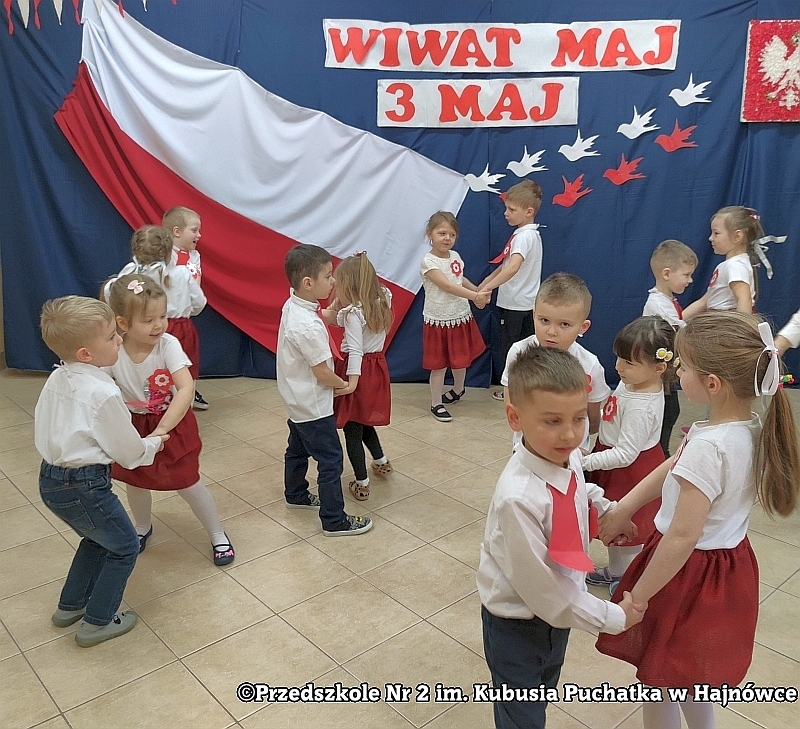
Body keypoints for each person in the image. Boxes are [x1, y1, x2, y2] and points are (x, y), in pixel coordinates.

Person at [597, 311, 800, 729]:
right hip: (726, 568)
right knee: (687, 676)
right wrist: (623, 507)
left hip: (687, 575)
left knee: (660, 680)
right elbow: (675, 462)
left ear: (712, 383)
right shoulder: (744, 425)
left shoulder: (713, 446)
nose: (676, 371)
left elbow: (683, 536)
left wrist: (638, 596)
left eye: (682, 366)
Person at [478, 345, 646, 729]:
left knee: (544, 688)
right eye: (551, 420)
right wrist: (613, 616)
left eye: (578, 419)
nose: (569, 434)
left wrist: (605, 507)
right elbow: (545, 593)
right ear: (514, 417)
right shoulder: (518, 499)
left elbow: (575, 487)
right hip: (517, 622)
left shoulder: (564, 453)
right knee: (521, 714)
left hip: (559, 612)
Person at [34, 296, 167, 646]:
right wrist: (153, 441)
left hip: (50, 479)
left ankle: (71, 605)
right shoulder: (102, 393)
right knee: (124, 546)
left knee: (96, 539)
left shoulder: (58, 377)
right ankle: (98, 621)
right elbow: (129, 453)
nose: (119, 339)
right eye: (111, 337)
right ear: (85, 354)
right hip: (85, 484)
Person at [102, 274, 234, 566]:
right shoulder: (114, 351)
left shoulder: (168, 344)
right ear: (123, 324)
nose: (159, 325)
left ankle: (217, 534)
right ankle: (141, 527)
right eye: (149, 320)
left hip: (171, 424)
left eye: (162, 316)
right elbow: (105, 391)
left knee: (187, 482)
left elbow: (186, 389)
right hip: (134, 426)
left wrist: (161, 430)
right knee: (135, 481)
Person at [278, 244, 373, 536]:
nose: (333, 282)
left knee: (297, 447)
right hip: (313, 403)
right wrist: (343, 385)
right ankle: (334, 519)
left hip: (296, 397)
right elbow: (321, 371)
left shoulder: (294, 304)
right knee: (330, 459)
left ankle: (295, 493)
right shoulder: (308, 326)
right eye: (329, 277)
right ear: (309, 283)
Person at [583, 317, 677, 596]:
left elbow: (625, 454)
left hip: (631, 471)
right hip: (612, 458)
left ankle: (626, 578)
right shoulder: (634, 383)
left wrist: (586, 461)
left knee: (626, 527)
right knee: (611, 524)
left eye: (628, 363)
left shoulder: (641, 407)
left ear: (659, 368)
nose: (617, 367)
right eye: (619, 358)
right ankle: (617, 571)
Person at [499, 273, 611, 451]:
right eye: (544, 320)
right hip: (529, 447)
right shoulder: (518, 352)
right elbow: (511, 400)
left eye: (564, 324)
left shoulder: (590, 364)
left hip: (571, 449)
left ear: (583, 327)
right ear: (534, 315)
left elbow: (592, 415)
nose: (552, 332)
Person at [109, 222, 209, 411]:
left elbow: (115, 296)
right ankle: (180, 408)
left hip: (137, 330)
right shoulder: (181, 273)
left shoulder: (128, 272)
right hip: (180, 328)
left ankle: (145, 405)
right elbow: (199, 303)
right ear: (170, 250)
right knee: (181, 371)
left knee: (144, 368)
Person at [328, 253, 393, 501]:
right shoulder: (383, 298)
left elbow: (355, 350)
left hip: (357, 371)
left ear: (350, 286)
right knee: (365, 421)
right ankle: (381, 460)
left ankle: (362, 482)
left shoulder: (354, 314)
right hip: (376, 368)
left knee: (352, 427)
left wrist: (350, 383)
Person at [478, 180, 544, 401]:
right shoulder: (528, 235)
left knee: (513, 350)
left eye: (511, 209)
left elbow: (513, 267)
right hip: (526, 302)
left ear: (528, 211)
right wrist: (487, 281)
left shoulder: (524, 236)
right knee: (526, 348)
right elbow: (506, 265)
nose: (506, 213)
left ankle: (513, 391)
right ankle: (525, 389)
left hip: (515, 304)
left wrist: (488, 287)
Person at [420, 211, 488, 422]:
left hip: (459, 316)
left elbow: (459, 279)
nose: (447, 238)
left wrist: (476, 289)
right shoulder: (428, 262)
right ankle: (435, 403)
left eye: (451, 234)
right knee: (439, 364)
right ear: (430, 234)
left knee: (460, 360)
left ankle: (458, 389)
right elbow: (448, 286)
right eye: (442, 233)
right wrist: (476, 295)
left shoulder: (455, 256)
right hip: (439, 320)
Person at [643, 240, 698, 457]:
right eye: (686, 275)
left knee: (670, 410)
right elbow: (679, 332)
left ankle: (660, 453)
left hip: (664, 373)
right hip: (659, 372)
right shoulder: (658, 305)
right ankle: (659, 456)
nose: (690, 280)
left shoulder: (665, 301)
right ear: (667, 273)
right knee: (667, 412)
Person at [162, 207, 210, 410]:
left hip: (184, 320)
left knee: (187, 361)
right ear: (176, 231)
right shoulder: (162, 257)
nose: (199, 235)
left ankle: (186, 399)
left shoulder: (194, 256)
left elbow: (195, 289)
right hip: (162, 321)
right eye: (194, 230)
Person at [682, 206, 763, 319]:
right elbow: (704, 301)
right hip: (719, 321)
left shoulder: (735, 265)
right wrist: (676, 322)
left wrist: (741, 330)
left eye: (716, 233)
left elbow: (744, 299)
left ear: (737, 236)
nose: (710, 238)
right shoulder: (729, 265)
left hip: (726, 324)